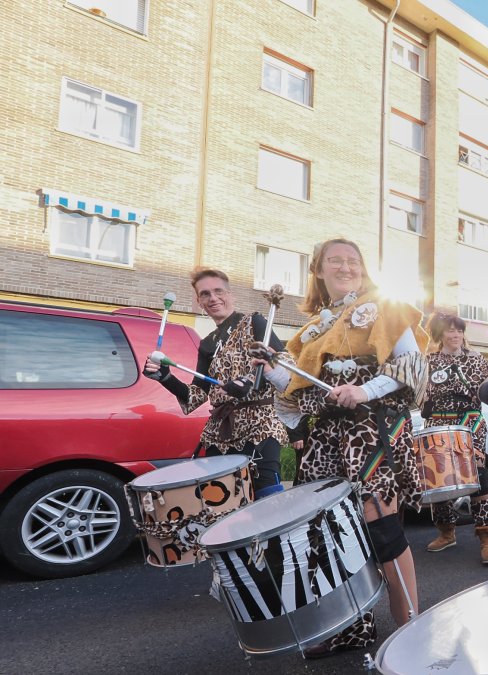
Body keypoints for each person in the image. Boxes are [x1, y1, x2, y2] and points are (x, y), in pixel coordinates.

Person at [257, 238, 428, 658]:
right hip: (324, 437)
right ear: (318, 270)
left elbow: (411, 365)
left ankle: (411, 627)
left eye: (354, 259)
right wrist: (271, 369)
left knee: (381, 526)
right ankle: (353, 626)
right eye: (335, 260)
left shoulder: (385, 306)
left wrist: (365, 389)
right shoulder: (311, 329)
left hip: (369, 429)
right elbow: (299, 391)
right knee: (330, 531)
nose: (346, 266)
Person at [143, 268, 286, 496]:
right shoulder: (207, 342)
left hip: (260, 425)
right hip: (220, 431)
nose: (213, 298)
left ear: (230, 294)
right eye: (205, 294)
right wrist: (165, 378)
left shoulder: (254, 322)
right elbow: (196, 395)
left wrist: (250, 381)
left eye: (218, 291)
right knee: (221, 499)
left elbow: (285, 365)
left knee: (266, 497)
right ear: (199, 302)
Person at [421, 312, 488, 565]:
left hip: (469, 421)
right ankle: (446, 532)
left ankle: (487, 537)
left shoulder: (476, 359)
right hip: (438, 422)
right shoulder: (428, 360)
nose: (455, 335)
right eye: (450, 330)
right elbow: (420, 394)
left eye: (459, 330)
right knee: (439, 475)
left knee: (478, 472)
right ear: (439, 334)